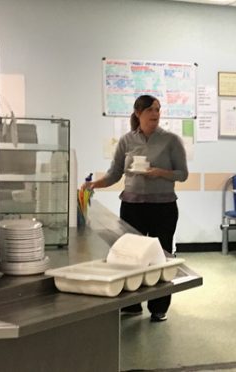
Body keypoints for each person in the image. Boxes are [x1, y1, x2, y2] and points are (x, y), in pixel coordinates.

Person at [82, 95, 188, 322]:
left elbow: (183, 174)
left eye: (158, 110)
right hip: (132, 206)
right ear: (138, 113)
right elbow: (114, 174)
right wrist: (94, 184)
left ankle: (159, 307)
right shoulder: (126, 141)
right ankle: (132, 304)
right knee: (131, 256)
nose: (155, 114)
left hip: (163, 207)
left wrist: (160, 172)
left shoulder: (171, 141)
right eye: (150, 110)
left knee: (161, 256)